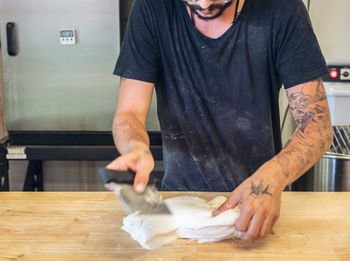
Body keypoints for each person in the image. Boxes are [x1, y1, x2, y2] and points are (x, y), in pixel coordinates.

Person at [106, 0, 333, 242]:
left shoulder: (282, 8)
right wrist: (136, 148)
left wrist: (274, 177)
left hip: (258, 201)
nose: (203, 4)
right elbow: (128, 113)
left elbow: (317, 125)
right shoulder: (152, 7)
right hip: (178, 201)